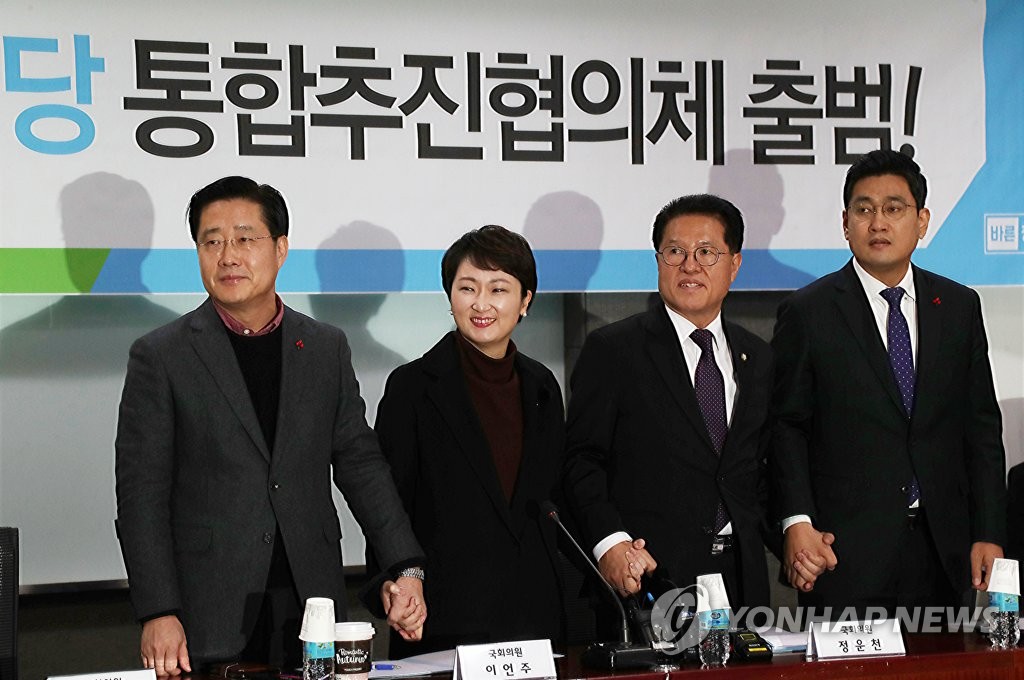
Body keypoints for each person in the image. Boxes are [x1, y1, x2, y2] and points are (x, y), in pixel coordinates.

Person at [115, 176, 427, 675]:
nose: (228, 256)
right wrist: (157, 610)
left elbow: (361, 464)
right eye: (212, 242)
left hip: (311, 601)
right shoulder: (162, 355)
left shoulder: (325, 347)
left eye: (245, 239)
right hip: (208, 608)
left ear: (280, 249)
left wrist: (404, 567)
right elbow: (141, 496)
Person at [771, 149, 1007, 616]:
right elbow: (785, 428)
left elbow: (980, 427)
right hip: (843, 554)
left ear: (922, 221)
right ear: (845, 223)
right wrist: (797, 521)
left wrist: (989, 531)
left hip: (944, 551)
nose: (878, 222)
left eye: (894, 208)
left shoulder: (958, 306)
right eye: (864, 209)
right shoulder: (808, 312)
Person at [562, 194, 790, 624]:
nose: (690, 265)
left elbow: (756, 471)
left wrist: (792, 536)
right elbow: (581, 460)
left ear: (734, 265)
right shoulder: (614, 350)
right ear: (658, 260)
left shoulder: (757, 357)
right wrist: (610, 544)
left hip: (742, 579)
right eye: (675, 252)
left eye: (706, 252)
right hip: (650, 577)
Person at [370, 225, 565, 656]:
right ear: (450, 296)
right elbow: (386, 505)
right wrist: (395, 580)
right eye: (467, 288)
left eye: (498, 289)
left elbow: (554, 499)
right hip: (443, 620)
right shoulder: (412, 387)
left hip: (533, 622)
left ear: (525, 301)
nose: (481, 304)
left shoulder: (542, 386)